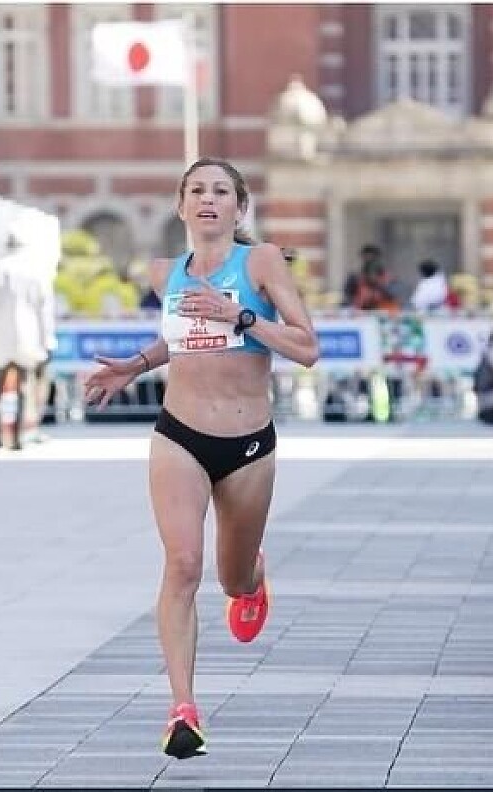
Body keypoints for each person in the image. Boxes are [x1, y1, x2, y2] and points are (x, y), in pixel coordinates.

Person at [83, 157, 318, 759]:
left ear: (239, 207)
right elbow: (182, 339)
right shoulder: (166, 272)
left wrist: (243, 316)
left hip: (247, 445)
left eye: (220, 191)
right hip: (179, 435)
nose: (208, 199)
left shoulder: (261, 262)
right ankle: (182, 709)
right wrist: (135, 366)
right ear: (181, 205)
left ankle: (252, 578)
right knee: (183, 564)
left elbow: (307, 347)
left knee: (229, 577)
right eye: (197, 190)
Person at [0, 237, 52, 452]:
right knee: (23, 387)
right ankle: (18, 436)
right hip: (27, 335)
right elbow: (44, 308)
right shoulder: (34, 271)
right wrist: (46, 339)